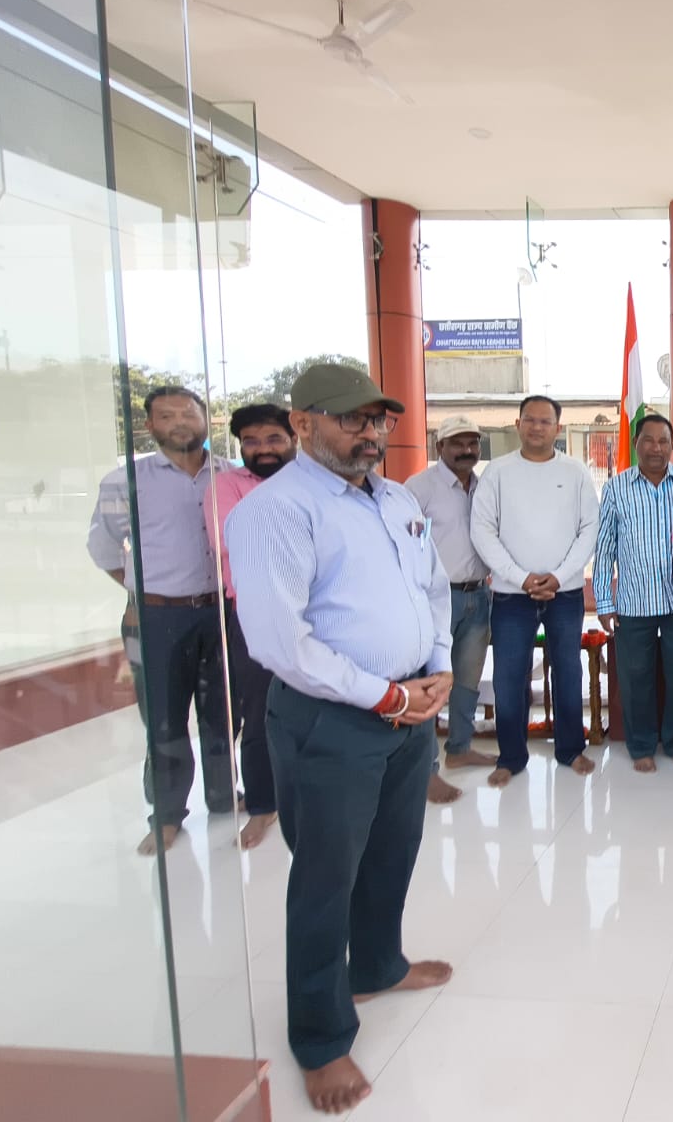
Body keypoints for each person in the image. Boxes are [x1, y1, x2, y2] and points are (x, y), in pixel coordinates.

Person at [226, 363, 454, 1115]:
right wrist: (387, 693)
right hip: (334, 720)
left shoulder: (393, 499)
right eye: (352, 419)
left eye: (378, 420)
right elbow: (280, 643)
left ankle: (379, 964)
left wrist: (440, 670)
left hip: (409, 712)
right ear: (303, 424)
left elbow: (433, 588)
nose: (370, 433)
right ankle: (321, 1039)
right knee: (327, 878)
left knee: (393, 852)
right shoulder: (276, 511)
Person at [87, 384, 233, 856]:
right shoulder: (124, 481)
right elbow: (104, 549)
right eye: (166, 416)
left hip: (221, 613)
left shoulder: (228, 476)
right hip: (156, 617)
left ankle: (223, 795)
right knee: (164, 719)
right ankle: (167, 814)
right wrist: (143, 593)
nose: (178, 423)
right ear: (149, 426)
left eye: (187, 414)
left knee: (224, 714)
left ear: (205, 420)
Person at [470, 395, 600, 785]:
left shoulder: (575, 472)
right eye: (530, 420)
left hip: (565, 593)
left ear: (557, 428)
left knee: (567, 670)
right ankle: (510, 757)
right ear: (517, 424)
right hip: (512, 595)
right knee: (510, 675)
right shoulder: (497, 472)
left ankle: (570, 749)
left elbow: (588, 530)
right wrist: (520, 576)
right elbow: (482, 530)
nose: (537, 427)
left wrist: (559, 576)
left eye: (545, 421)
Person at [204, 402, 296, 849]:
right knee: (258, 712)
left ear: (293, 439)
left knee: (322, 705)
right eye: (252, 442)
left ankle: (311, 792)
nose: (263, 449)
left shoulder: (315, 480)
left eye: (273, 439)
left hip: (319, 614)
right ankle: (263, 805)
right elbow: (239, 546)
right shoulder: (226, 486)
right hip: (254, 615)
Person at [594, 412, 673, 772]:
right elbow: (604, 548)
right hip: (632, 604)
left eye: (663, 441)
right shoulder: (616, 488)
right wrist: (604, 602)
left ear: (672, 445)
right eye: (648, 440)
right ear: (636, 444)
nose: (656, 448)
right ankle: (640, 746)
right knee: (636, 678)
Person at [406, 415, 496, 805]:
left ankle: (459, 748)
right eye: (457, 443)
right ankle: (425, 772)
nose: (466, 450)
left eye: (472, 443)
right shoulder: (418, 488)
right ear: (439, 446)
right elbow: (406, 545)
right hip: (434, 601)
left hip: (479, 595)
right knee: (431, 683)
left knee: (467, 682)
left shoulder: (484, 485)